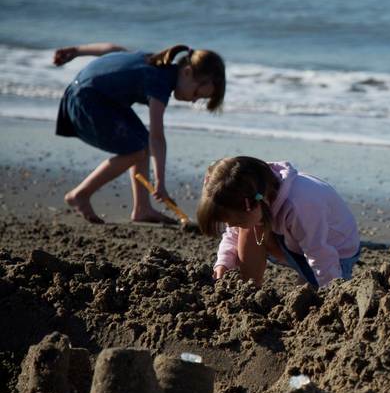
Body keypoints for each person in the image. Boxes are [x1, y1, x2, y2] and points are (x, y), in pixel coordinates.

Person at [53, 42, 225, 224]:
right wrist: (160, 183)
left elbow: (112, 50)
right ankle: (80, 194)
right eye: (197, 93)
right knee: (136, 150)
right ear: (187, 72)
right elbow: (157, 137)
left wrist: (77, 51)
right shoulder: (159, 81)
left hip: (89, 95)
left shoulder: (154, 60)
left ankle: (142, 209)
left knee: (140, 142)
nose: (193, 100)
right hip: (87, 102)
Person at [198, 156, 360, 289]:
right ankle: (250, 289)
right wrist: (224, 264)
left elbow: (320, 254)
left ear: (252, 206)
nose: (232, 226)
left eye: (236, 222)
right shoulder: (255, 191)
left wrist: (331, 293)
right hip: (293, 242)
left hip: (337, 254)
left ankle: (309, 280)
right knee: (248, 228)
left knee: (315, 292)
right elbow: (232, 234)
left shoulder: (300, 205)